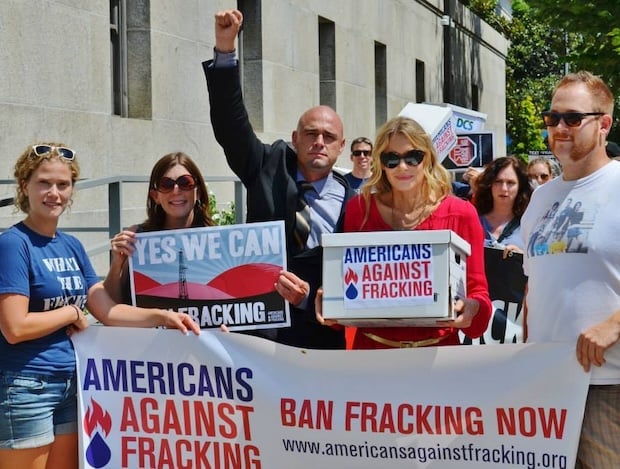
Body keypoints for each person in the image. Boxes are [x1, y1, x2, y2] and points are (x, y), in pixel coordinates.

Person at [0, 144, 200, 469]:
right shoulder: (13, 244)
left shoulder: (72, 245)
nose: (54, 193)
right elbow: (15, 327)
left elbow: (107, 310)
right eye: (44, 183)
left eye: (63, 185)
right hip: (27, 388)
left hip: (71, 385)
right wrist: (71, 313)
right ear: (25, 187)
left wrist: (163, 316)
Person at [202, 9, 352, 349]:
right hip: (258, 333)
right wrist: (225, 50)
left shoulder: (357, 204)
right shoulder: (266, 164)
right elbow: (231, 125)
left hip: (318, 337)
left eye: (329, 137)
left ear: (341, 147)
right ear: (295, 138)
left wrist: (307, 297)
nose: (319, 142)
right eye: (310, 133)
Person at [318, 116, 492, 349]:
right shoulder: (359, 210)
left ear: (427, 157)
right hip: (372, 354)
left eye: (413, 157)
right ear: (380, 162)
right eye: (392, 159)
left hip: (439, 354)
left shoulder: (461, 213)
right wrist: (329, 300)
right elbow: (348, 292)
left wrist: (473, 308)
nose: (403, 167)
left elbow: (479, 292)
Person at [521, 71, 620, 467]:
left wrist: (614, 324)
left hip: (609, 385)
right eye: (552, 118)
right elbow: (535, 289)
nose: (560, 128)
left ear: (604, 124)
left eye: (573, 118)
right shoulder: (540, 198)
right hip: (549, 383)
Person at [104, 152, 215, 304]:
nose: (176, 190)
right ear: (155, 196)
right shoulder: (136, 237)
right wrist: (117, 263)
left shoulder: (217, 240)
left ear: (198, 192)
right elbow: (112, 304)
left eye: (185, 182)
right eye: (166, 184)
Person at [474, 156, 532, 257]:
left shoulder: (530, 224)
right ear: (489, 184)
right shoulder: (473, 220)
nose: (504, 188)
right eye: (498, 182)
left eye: (510, 183)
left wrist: (521, 257)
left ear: (520, 187)